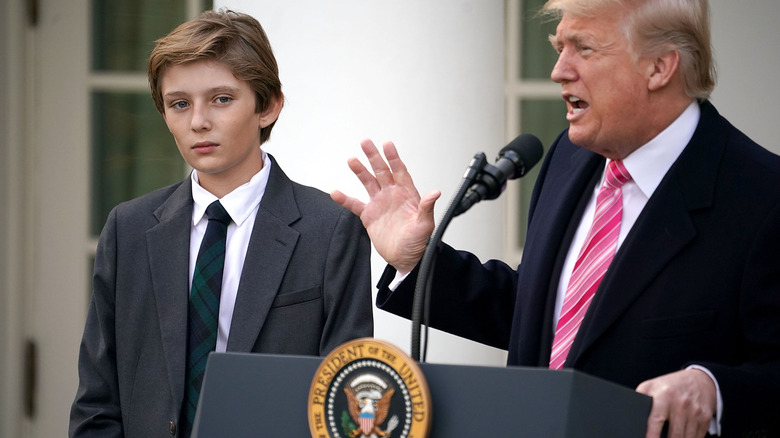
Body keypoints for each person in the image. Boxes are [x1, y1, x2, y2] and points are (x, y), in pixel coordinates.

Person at [331, 0, 780, 437]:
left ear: (659, 67)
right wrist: (420, 261)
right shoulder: (569, 157)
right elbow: (542, 315)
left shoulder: (763, 197)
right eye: (558, 46)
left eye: (583, 48)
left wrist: (714, 388)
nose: (559, 70)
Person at [69, 10, 373, 438]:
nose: (198, 122)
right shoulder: (128, 229)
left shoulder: (331, 230)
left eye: (221, 99)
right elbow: (96, 403)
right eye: (179, 104)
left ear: (267, 106)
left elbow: (345, 404)